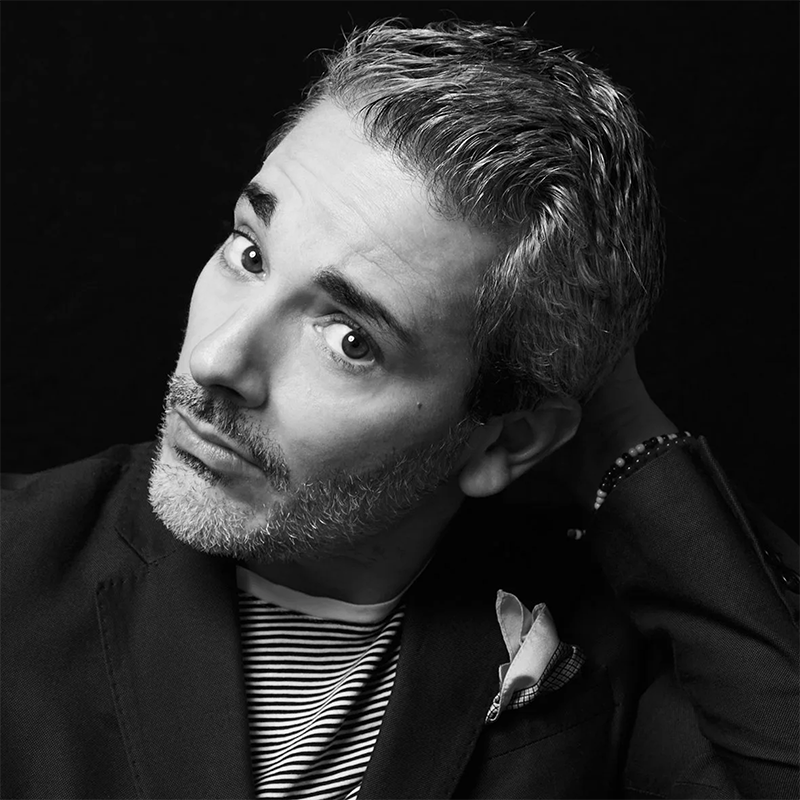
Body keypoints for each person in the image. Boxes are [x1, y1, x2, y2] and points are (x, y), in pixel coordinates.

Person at [2, 18, 797, 800]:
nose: (217, 361)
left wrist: (622, 430)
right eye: (249, 254)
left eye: (349, 339)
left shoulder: (610, 655)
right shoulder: (18, 557)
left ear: (508, 441)